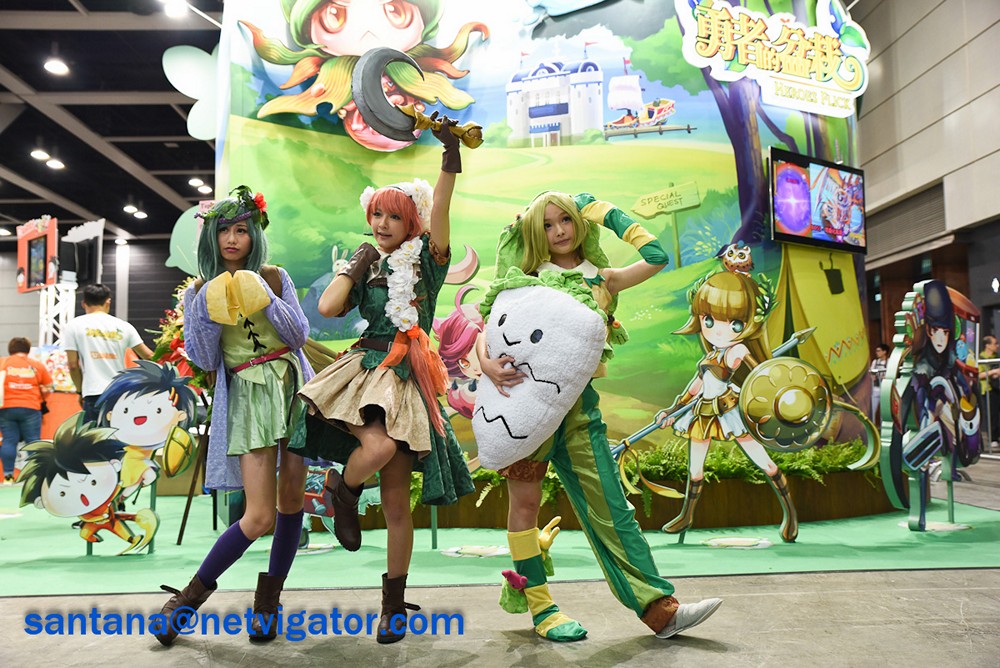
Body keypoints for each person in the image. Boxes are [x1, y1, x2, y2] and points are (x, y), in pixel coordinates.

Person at [479, 191, 722, 642]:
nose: (559, 231)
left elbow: (656, 255)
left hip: (579, 411)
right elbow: (489, 325)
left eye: (567, 220)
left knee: (613, 507)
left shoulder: (603, 278)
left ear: (580, 221)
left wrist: (605, 212)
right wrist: (486, 363)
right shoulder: (526, 278)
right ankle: (541, 609)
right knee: (525, 506)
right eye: (547, 224)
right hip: (525, 406)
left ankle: (659, 610)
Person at [291, 117, 474, 644]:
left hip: (408, 376)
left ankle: (392, 605)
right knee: (377, 447)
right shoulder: (368, 262)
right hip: (367, 370)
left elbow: (443, 208)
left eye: (394, 215)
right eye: (376, 214)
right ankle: (342, 491)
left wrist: (450, 156)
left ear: (411, 220)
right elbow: (327, 308)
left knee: (397, 505)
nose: (383, 223)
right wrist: (356, 263)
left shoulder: (427, 263)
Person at [155, 186, 314, 646]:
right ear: (212, 238)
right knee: (258, 515)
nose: (231, 239)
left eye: (241, 230)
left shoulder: (275, 276)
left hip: (292, 388)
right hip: (246, 396)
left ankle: (268, 604)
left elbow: (298, 335)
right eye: (224, 231)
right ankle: (187, 599)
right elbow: (205, 359)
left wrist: (263, 295)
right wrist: (205, 310)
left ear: (253, 235)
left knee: (291, 502)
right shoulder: (198, 291)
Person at [657, 263, 798, 544]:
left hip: (729, 411)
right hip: (703, 412)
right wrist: (673, 409)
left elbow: (758, 376)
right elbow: (696, 386)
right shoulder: (710, 356)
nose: (719, 330)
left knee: (764, 462)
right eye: (709, 320)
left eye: (734, 324)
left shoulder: (737, 349)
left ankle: (791, 514)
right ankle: (687, 516)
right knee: (695, 469)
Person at [63, 284, 153, 424]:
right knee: (119, 434)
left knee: (96, 436)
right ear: (108, 301)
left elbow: (73, 365)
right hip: (121, 392)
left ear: (83, 303)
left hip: (93, 393)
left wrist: (80, 391)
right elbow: (149, 356)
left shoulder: (73, 326)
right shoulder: (124, 326)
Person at [0, 337, 53, 481]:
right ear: (28, 349)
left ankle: (8, 476)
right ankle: (36, 476)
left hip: (6, 408)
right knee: (33, 442)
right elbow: (48, 386)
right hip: (31, 407)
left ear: (10, 349)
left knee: (9, 440)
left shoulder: (2, 363)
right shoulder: (36, 365)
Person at [978, 335, 1000, 450]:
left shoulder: (996, 357)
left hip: (997, 388)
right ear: (988, 345)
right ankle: (993, 438)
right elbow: (979, 374)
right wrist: (993, 372)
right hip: (988, 389)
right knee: (992, 414)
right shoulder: (981, 357)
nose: (997, 346)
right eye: (995, 343)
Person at [870, 343, 890, 419]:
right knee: (873, 409)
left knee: (884, 410)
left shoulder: (890, 361)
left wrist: (885, 377)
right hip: (876, 388)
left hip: (885, 389)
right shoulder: (875, 362)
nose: (877, 353)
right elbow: (871, 373)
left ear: (884, 352)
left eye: (878, 351)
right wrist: (873, 376)